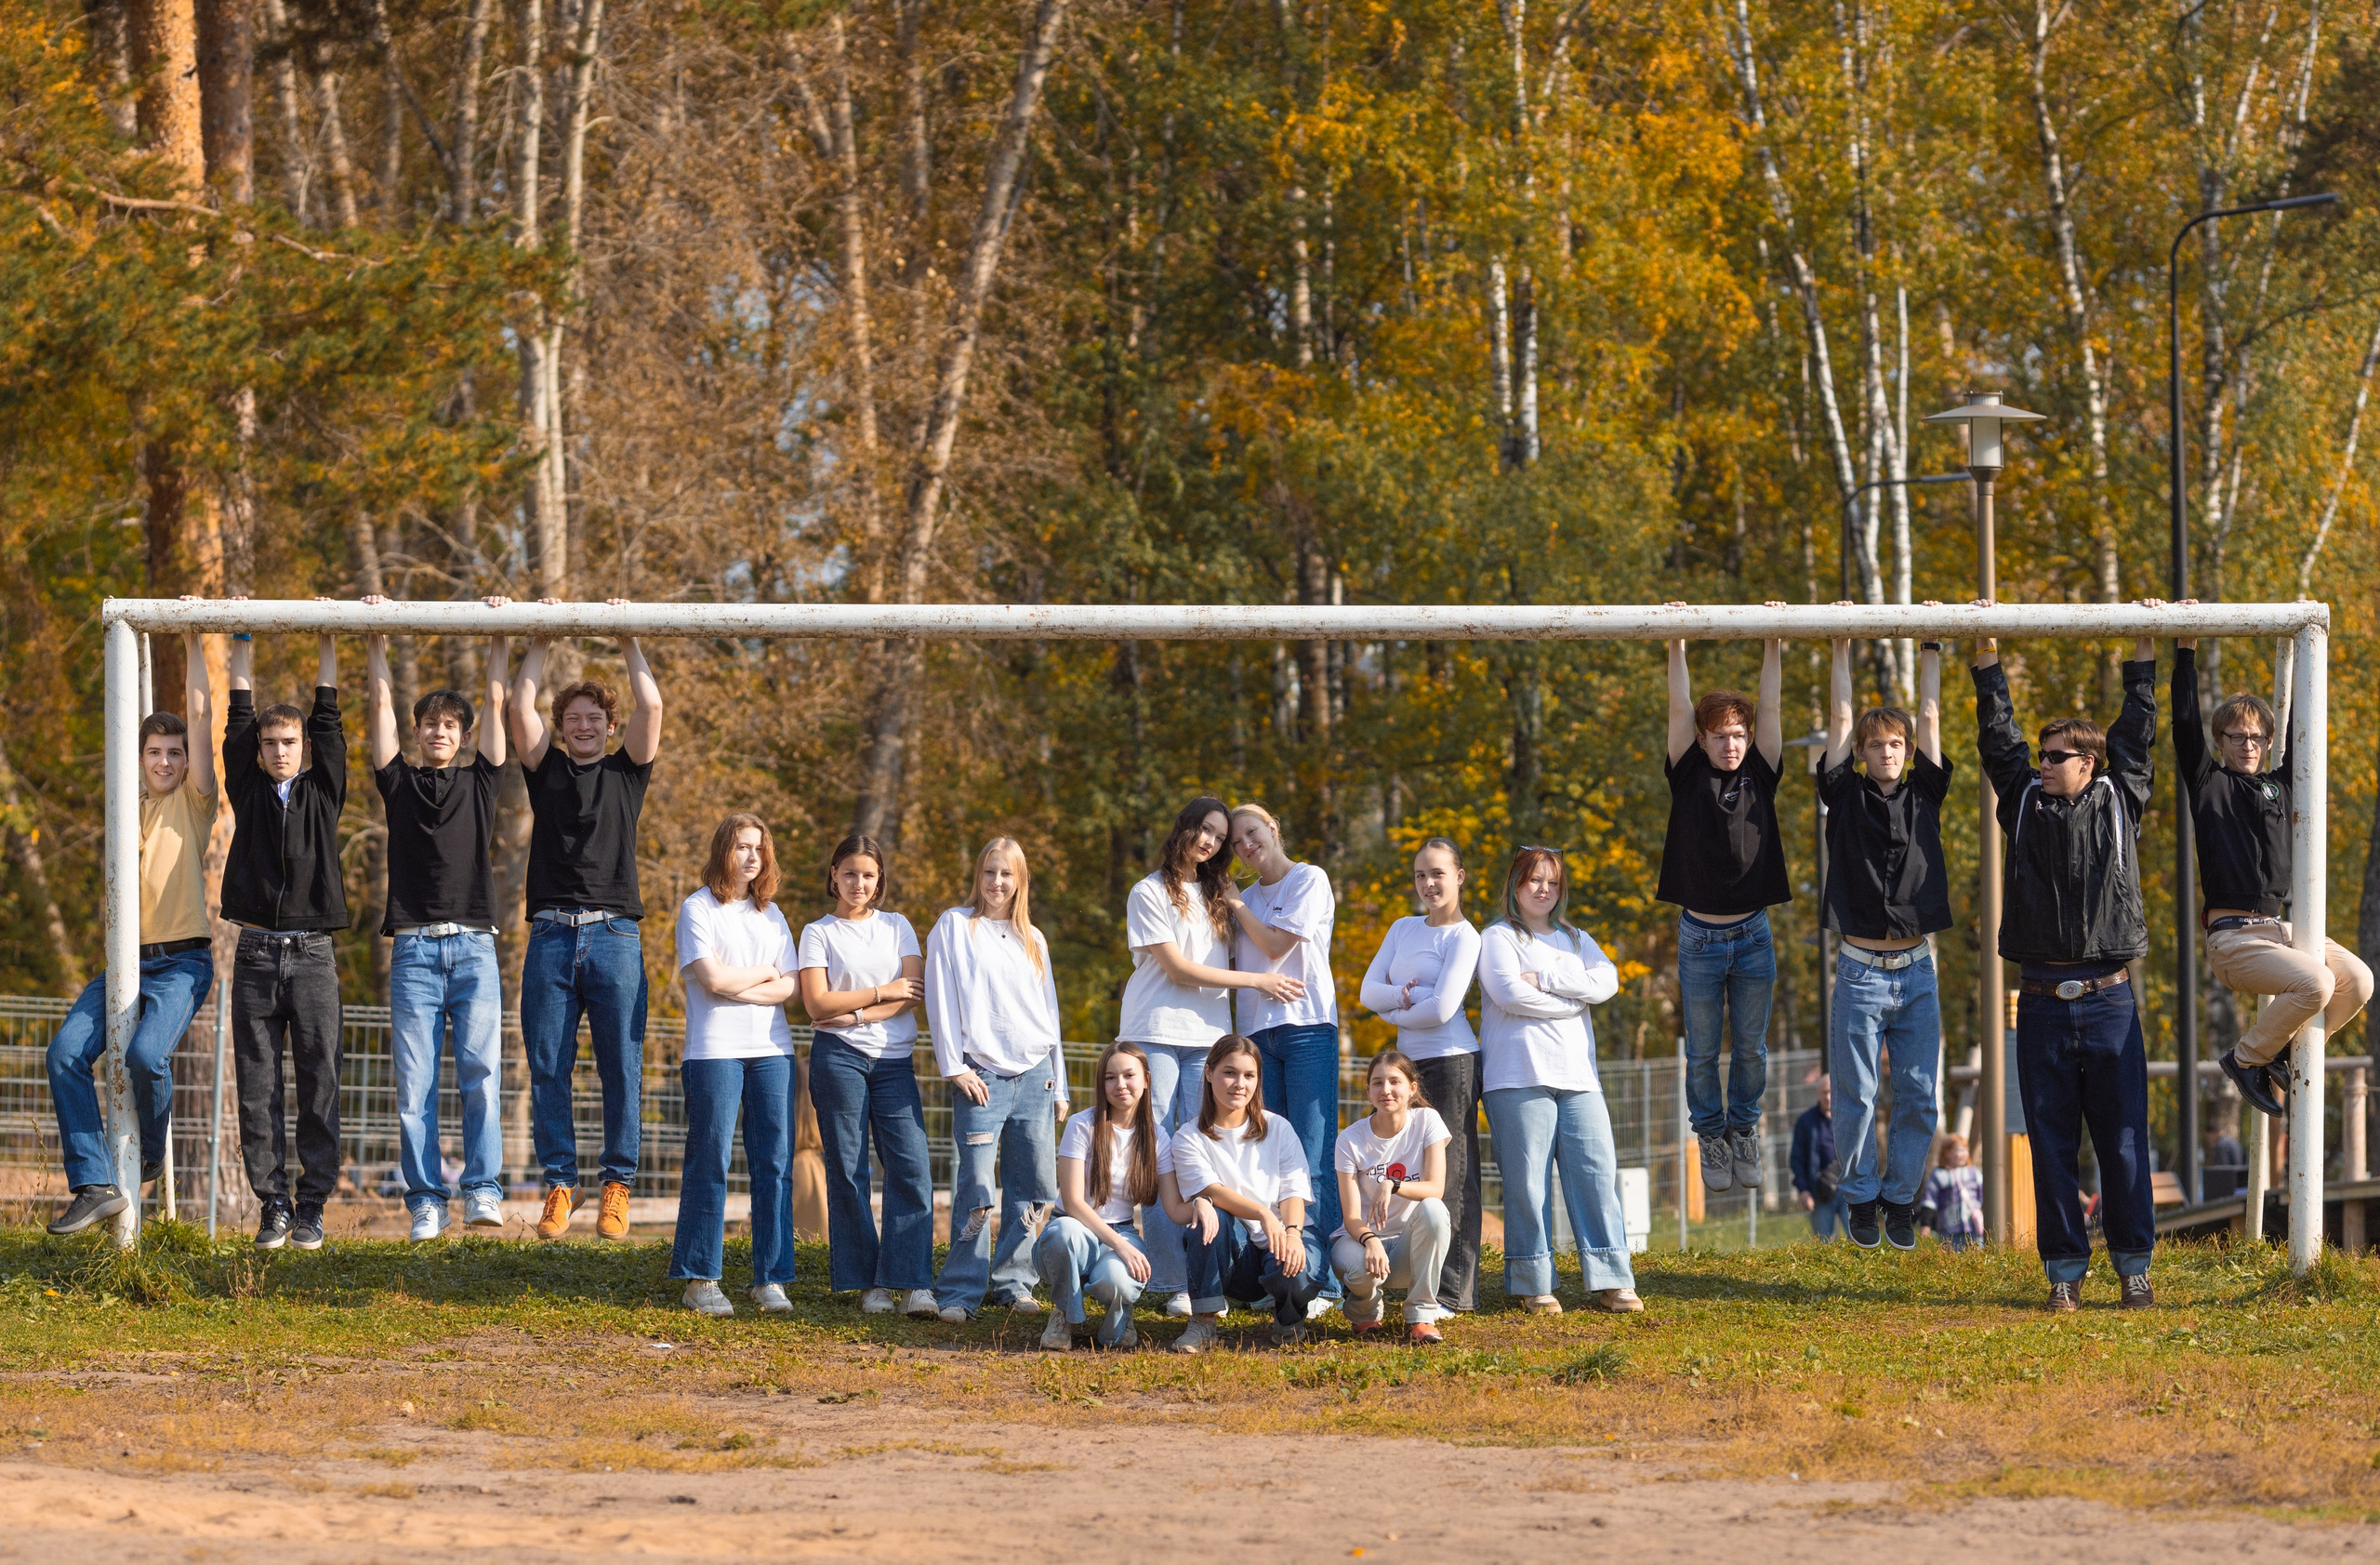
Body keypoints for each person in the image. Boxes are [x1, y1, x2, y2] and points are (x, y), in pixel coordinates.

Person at [1974, 618, 2161, 1310]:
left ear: (2089, 762)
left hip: (2111, 1000)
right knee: (2050, 1143)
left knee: (2123, 1140)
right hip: (2043, 1001)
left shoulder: (2118, 800)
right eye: (2043, 753)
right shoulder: (2021, 802)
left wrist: (2144, 655)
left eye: (2057, 755)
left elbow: (2137, 735)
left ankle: (2134, 1266)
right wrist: (1987, 661)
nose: (2043, 762)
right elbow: (2000, 742)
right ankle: (2063, 1276)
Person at [45, 626, 218, 1236]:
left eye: (175, 752)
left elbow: (200, 713)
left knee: (146, 1053)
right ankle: (93, 1181)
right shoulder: (125, 804)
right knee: (64, 1052)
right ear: (139, 757)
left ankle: (146, 1152)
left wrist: (195, 641)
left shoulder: (195, 803)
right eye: (155, 752)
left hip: (183, 963)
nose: (166, 760)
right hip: (125, 963)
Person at [2173, 631, 2373, 1122]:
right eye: (2236, 737)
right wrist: (2185, 653)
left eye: (2256, 737)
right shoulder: (2209, 784)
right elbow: (2182, 724)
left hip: (2280, 931)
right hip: (2235, 939)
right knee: (2317, 983)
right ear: (2220, 742)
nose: (2247, 745)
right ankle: (2245, 1059)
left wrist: (2311, 653)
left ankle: (2279, 1050)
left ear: (2267, 742)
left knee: (2358, 981)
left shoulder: (2278, 787)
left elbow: (2307, 726)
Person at [1117, 797, 1302, 1316]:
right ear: (1183, 828)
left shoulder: (1220, 895)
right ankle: (1168, 1280)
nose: (1211, 842)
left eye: (1219, 837)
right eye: (1204, 830)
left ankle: (1215, 1275)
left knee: (1205, 1152)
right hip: (1154, 1030)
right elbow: (1177, 970)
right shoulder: (1148, 891)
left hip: (1210, 1037)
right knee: (1156, 1155)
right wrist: (1258, 981)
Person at [364, 604, 512, 1242]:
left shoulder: (481, 782)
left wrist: (503, 641)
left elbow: (499, 707)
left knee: (481, 1073)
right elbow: (378, 711)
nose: (439, 732)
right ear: (418, 732)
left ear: (462, 734)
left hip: (475, 948)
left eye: (451, 724)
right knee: (414, 1085)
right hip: (415, 952)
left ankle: (481, 1190)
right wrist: (374, 643)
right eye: (430, 724)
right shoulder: (397, 783)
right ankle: (427, 1199)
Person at [510, 628, 664, 1242]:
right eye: (572, 717)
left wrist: (628, 641)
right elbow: (518, 708)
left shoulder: (628, 773)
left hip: (614, 936)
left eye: (593, 717)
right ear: (561, 725)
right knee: (548, 1062)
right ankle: (558, 1183)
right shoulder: (544, 770)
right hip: (550, 935)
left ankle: (616, 1185)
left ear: (609, 724)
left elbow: (652, 706)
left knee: (621, 1065)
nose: (582, 725)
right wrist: (541, 642)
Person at [1820, 632, 1951, 1251]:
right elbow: (1841, 718)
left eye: (1895, 744)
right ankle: (1860, 1196)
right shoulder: (1843, 793)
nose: (1888, 752)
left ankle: (1900, 1198)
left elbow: (1931, 715)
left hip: (1917, 968)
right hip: (1859, 969)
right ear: (1863, 753)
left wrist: (1930, 651)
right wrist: (1841, 648)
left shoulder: (1927, 791)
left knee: (1922, 1093)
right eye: (1877, 745)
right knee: (1858, 1095)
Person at [222, 621, 348, 1251]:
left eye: (288, 740)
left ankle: (312, 1206)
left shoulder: (324, 791)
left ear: (303, 745)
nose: (278, 749)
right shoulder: (246, 791)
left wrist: (328, 638)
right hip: (254, 952)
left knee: (319, 1077)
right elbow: (237, 715)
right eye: (270, 741)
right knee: (257, 1082)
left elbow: (329, 718)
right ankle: (272, 1201)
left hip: (314, 951)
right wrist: (239, 637)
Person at [1475, 847, 1641, 1314]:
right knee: (1528, 1183)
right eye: (1534, 880)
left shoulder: (1575, 936)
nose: (1543, 889)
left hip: (1579, 1076)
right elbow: (1509, 994)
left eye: (1551, 881)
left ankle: (1611, 1279)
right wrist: (1573, 998)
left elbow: (1606, 982)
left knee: (1596, 1173)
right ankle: (1533, 1281)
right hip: (1517, 1075)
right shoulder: (1498, 937)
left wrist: (1546, 978)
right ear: (1515, 885)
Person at [1661, 628, 1789, 1199]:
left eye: (1738, 735)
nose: (1731, 746)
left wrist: (1774, 641)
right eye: (1720, 737)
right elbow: (1677, 706)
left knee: (1753, 1048)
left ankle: (1744, 1130)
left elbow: (1772, 704)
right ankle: (1710, 1135)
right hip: (1700, 938)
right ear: (1703, 740)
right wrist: (1676, 642)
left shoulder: (1762, 768)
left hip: (1753, 933)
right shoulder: (1687, 771)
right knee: (1703, 1050)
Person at [926, 838, 1067, 1321]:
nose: (997, 883)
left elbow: (1049, 1015)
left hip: (1036, 1076)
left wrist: (1061, 1085)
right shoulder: (955, 926)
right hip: (981, 1074)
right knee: (977, 1187)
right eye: (989, 872)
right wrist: (954, 1065)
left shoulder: (1034, 938)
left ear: (1020, 881)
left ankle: (1014, 1283)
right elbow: (940, 998)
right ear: (978, 874)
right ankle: (960, 1291)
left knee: (1033, 1186)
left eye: (1007, 874)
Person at [798, 834, 936, 1317]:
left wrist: (857, 1012)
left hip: (894, 1063)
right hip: (838, 1058)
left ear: (880, 882)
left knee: (912, 1165)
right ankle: (867, 1283)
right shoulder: (817, 933)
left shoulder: (898, 926)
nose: (859, 883)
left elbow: (912, 993)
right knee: (850, 1169)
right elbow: (816, 1003)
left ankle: (913, 1280)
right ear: (834, 874)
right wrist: (882, 991)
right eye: (850, 873)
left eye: (869, 875)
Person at [670, 814, 800, 1317]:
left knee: (774, 1164)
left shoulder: (773, 915)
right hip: (713, 1050)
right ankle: (700, 1279)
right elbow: (711, 981)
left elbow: (790, 988)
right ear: (724, 849)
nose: (752, 857)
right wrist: (764, 974)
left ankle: (770, 1279)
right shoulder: (697, 909)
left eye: (759, 849)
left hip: (773, 1052)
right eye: (743, 847)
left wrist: (742, 981)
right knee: (711, 1161)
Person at [1221, 803, 1342, 1306]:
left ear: (1273, 827)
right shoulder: (1242, 897)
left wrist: (1236, 905)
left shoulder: (1308, 879)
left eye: (1252, 834)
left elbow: (1274, 946)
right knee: (1270, 1156)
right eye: (1237, 843)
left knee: (1314, 1153)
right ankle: (1285, 1267)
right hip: (1256, 1036)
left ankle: (1326, 1280)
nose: (1247, 846)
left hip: (1308, 1028)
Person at [1356, 838, 1482, 1312]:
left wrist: (1400, 1004)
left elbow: (1444, 1009)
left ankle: (1454, 1292)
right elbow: (1369, 992)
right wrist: (1413, 1000)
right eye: (1420, 876)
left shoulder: (1465, 936)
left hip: (1452, 1063)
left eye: (1438, 874)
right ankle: (1413, 1277)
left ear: (1459, 877)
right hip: (1409, 1068)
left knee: (1451, 1175)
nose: (1428, 884)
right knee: (1409, 1171)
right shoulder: (1402, 928)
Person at [1163, 1034, 1329, 1351]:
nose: (1239, 1083)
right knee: (1210, 1214)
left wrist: (1293, 1233)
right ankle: (1204, 1322)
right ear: (1209, 1072)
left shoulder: (1277, 1127)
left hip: (1279, 1240)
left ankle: (1288, 1318)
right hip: (1235, 1254)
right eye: (1229, 1072)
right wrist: (1262, 1213)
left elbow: (1294, 1190)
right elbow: (1211, 1190)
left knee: (1298, 1266)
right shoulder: (1188, 1137)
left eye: (1249, 1075)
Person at [1038, 1041, 1160, 1350]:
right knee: (1065, 1234)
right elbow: (1074, 1202)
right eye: (1110, 1077)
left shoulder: (1158, 1136)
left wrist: (1204, 1203)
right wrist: (1120, 1244)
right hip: (1075, 1227)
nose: (1120, 1085)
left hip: (1121, 1228)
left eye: (1129, 1075)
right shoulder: (1082, 1125)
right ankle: (1064, 1313)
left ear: (1146, 1079)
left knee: (1117, 1281)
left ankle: (1121, 1312)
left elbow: (1173, 1206)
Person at [1330, 1049, 1453, 1345]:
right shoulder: (1349, 1139)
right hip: (1360, 1242)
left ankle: (1422, 1315)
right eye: (1377, 1082)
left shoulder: (1427, 1121)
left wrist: (1392, 1185)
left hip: (1406, 1248)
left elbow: (1435, 1188)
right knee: (1361, 1271)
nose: (1385, 1090)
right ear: (1369, 1090)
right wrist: (1370, 1240)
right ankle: (1364, 1310)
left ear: (1412, 1088)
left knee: (1434, 1210)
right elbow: (1350, 1217)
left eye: (1394, 1081)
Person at [1790, 1075, 1846, 1241]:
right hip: (1820, 1192)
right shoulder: (1806, 1122)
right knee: (1824, 1244)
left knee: (1859, 1241)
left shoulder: (1848, 1119)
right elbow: (1797, 1159)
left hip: (1848, 1190)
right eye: (1824, 1093)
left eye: (1831, 1092)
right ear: (1818, 1093)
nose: (1828, 1097)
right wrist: (1804, 1191)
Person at [1916, 1134, 1984, 1251]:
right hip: (1949, 1229)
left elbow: (1984, 1196)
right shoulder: (1939, 1175)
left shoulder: (1973, 1173)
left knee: (1977, 1258)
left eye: (1965, 1150)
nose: (1963, 1154)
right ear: (1946, 1153)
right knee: (1952, 1260)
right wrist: (1925, 1224)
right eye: (1958, 1150)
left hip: (1973, 1227)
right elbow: (1929, 1201)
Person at [2202, 1122, 2246, 1200]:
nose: (2208, 1140)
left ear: (2212, 1133)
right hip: (2241, 1182)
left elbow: (2222, 1169)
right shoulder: (2233, 1141)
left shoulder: (2221, 1145)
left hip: (2230, 1186)